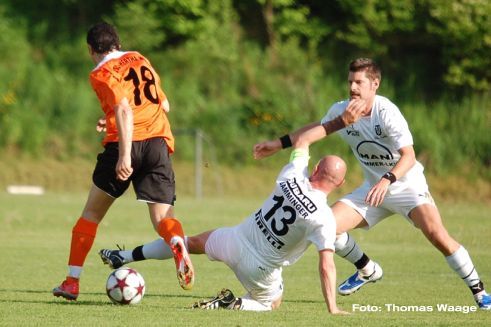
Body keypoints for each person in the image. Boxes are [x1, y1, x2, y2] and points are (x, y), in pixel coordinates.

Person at [252, 58, 491, 310]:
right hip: (373, 189)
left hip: (406, 185)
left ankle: (480, 292)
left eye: (359, 82)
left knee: (436, 234)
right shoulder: (343, 112)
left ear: (375, 84)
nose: (353, 88)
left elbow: (409, 156)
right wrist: (278, 144)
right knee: (326, 228)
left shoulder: (386, 113)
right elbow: (318, 128)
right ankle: (367, 269)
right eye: (350, 82)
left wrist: (387, 180)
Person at [100, 137, 349, 313]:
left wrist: (329, 124)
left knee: (189, 244)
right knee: (271, 304)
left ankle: (123, 256)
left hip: (233, 239)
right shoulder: (324, 217)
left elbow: (303, 141)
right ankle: (233, 303)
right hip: (260, 268)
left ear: (315, 168)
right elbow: (326, 266)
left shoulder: (292, 175)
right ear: (340, 183)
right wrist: (333, 307)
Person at [52, 22, 194, 301]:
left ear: (90, 49)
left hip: (125, 146)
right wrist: (111, 118)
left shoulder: (101, 72)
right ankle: (176, 241)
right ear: (118, 42)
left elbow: (125, 110)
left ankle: (71, 282)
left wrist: (126, 154)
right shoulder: (140, 58)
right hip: (158, 144)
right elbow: (162, 105)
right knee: (163, 219)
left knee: (91, 215)